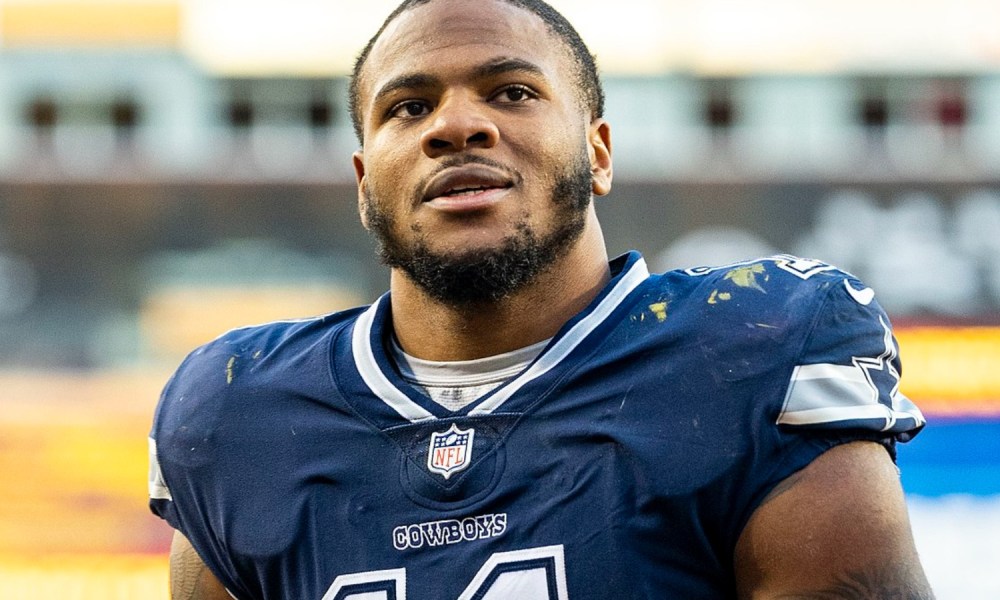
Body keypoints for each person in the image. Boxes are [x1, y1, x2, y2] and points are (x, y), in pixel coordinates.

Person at [148, 0, 934, 598]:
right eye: (408, 107)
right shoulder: (235, 414)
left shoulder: (756, 346)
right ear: (365, 184)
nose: (457, 125)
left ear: (597, 153)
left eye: (512, 92)